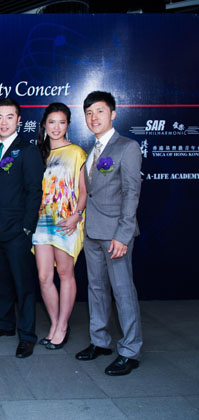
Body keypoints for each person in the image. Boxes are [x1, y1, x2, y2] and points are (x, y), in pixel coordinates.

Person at [75, 91, 143, 376]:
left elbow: (131, 193)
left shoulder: (127, 147)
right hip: (92, 231)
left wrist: (123, 235)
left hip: (116, 234)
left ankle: (130, 350)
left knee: (122, 291)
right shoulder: (92, 149)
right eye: (89, 113)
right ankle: (100, 341)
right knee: (96, 288)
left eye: (100, 111)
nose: (94, 117)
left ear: (113, 114)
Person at [0, 97, 44, 359]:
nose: (3, 122)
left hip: (17, 231)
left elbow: (35, 191)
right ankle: (5, 324)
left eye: (9, 117)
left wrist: (27, 228)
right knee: (0, 282)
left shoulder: (27, 151)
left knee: (23, 285)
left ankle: (27, 336)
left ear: (19, 120)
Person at [32, 103, 87, 350]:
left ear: (68, 125)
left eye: (62, 122)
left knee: (65, 274)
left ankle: (63, 327)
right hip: (42, 222)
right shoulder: (38, 154)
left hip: (67, 220)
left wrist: (77, 215)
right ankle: (54, 324)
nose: (56, 127)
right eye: (52, 122)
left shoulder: (76, 152)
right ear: (44, 124)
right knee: (44, 277)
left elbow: (84, 191)